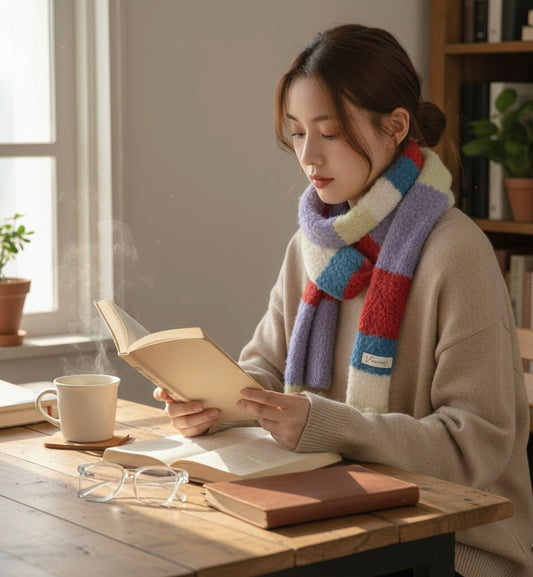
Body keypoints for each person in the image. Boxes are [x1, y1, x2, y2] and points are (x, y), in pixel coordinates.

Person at [154, 24, 533, 577]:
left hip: (452, 546)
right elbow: (263, 370)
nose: (309, 156)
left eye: (329, 133)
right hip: (333, 520)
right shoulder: (309, 246)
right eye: (297, 132)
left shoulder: (456, 252)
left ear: (395, 126)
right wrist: (213, 404)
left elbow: (474, 447)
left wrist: (328, 424)